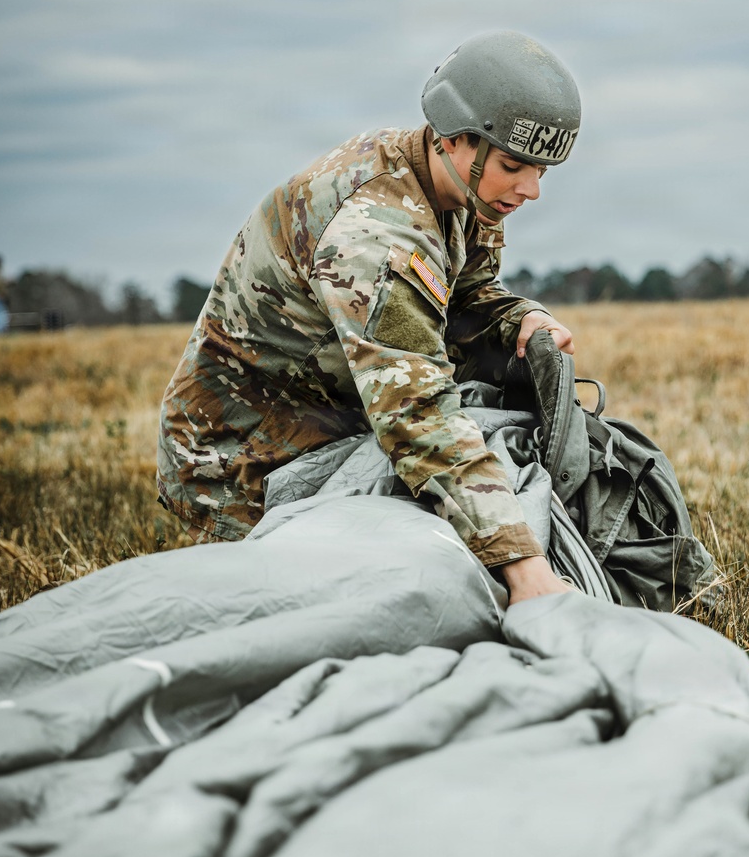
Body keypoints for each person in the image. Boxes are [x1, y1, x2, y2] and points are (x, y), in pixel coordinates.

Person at [157, 30, 581, 604]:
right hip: (246, 462)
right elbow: (417, 415)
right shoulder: (375, 234)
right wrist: (523, 566)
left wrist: (520, 319)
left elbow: (468, 291)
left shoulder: (459, 187)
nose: (530, 189)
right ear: (455, 137)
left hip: (338, 421)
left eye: (542, 171)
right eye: (514, 165)